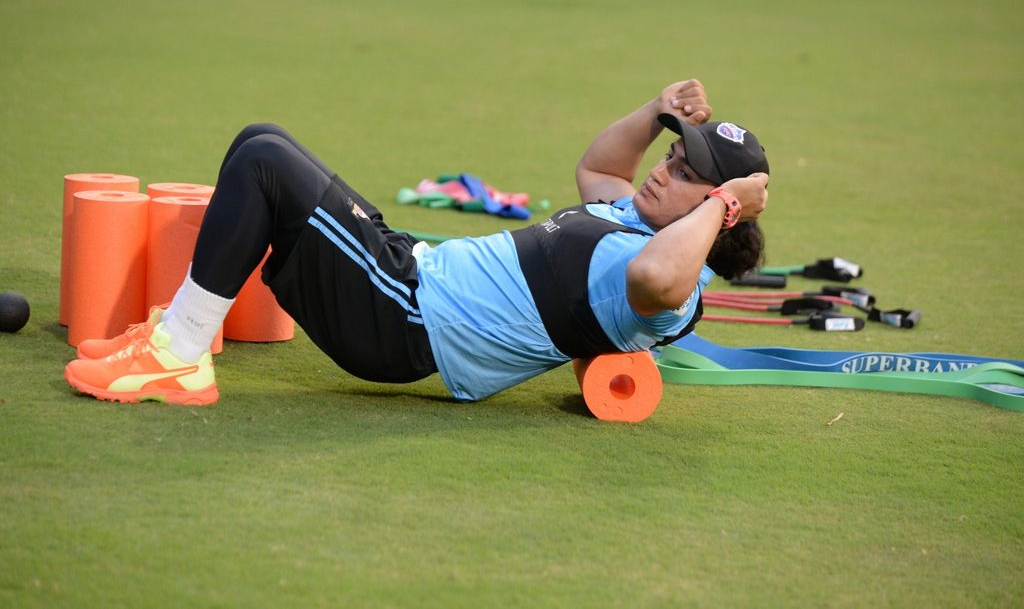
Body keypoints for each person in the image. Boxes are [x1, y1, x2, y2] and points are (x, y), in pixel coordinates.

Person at [64, 79, 770, 405]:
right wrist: (655, 112)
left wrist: (724, 202)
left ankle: (178, 356)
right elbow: (600, 168)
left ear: (720, 208)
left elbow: (659, 279)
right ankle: (175, 334)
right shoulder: (631, 216)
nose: (662, 170)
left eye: (688, 175)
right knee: (262, 141)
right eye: (673, 156)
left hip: (406, 322)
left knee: (262, 167)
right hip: (407, 277)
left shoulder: (667, 289)